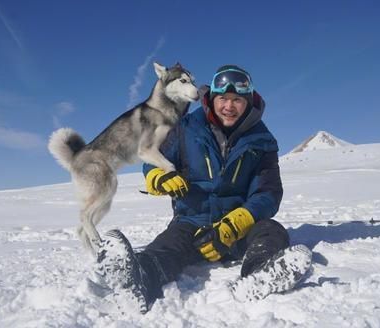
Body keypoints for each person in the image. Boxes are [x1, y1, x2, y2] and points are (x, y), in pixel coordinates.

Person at [95, 65, 312, 313]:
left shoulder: (262, 141)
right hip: (190, 222)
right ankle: (138, 279)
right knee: (167, 248)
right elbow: (155, 159)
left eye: (237, 100)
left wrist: (238, 222)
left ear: (248, 101)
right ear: (211, 98)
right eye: (223, 99)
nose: (229, 107)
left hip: (238, 226)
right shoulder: (185, 127)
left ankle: (260, 274)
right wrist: (158, 176)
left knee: (271, 231)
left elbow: (268, 192)